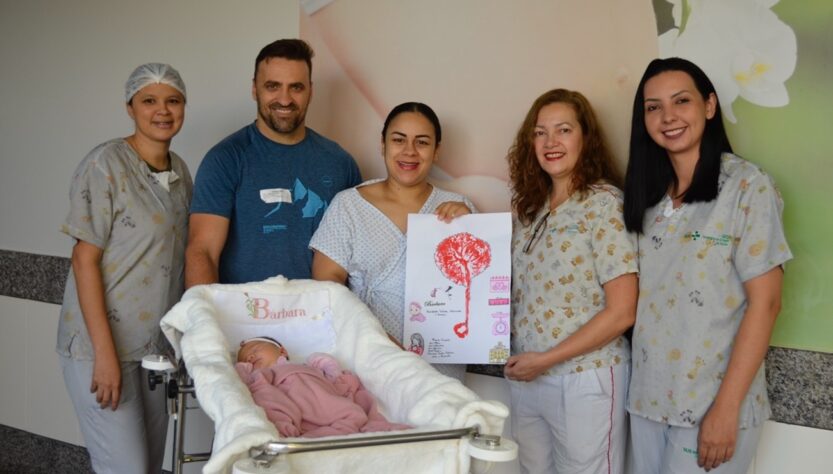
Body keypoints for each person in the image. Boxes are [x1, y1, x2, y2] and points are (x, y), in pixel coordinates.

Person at [623, 57, 792, 474]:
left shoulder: (746, 187)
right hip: (647, 400)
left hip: (711, 407)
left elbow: (766, 304)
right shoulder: (648, 198)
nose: (668, 116)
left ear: (710, 106)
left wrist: (725, 409)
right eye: (653, 106)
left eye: (681, 101)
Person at [57, 63, 192, 474]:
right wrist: (105, 355)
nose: (162, 110)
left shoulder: (181, 172)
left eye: (172, 100)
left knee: (149, 466)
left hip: (154, 349)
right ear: (130, 107)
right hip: (99, 346)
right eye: (149, 101)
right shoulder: (105, 165)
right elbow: (84, 258)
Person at [503, 89, 638, 474]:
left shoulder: (603, 203)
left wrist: (545, 361)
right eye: (540, 132)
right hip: (528, 378)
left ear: (585, 137)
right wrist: (459, 218)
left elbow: (622, 311)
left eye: (563, 130)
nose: (551, 142)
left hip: (585, 379)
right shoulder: (532, 211)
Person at [309, 102, 474, 381]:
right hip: (368, 363)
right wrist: (383, 344)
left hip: (441, 372)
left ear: (436, 151)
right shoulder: (349, 206)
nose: (409, 151)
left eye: (422, 142)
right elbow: (327, 288)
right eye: (398, 140)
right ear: (383, 145)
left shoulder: (459, 208)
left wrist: (470, 228)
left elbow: (477, 291)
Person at [186, 38, 361, 286]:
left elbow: (358, 253)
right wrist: (202, 321)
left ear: (310, 91)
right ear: (254, 89)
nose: (285, 99)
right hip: (244, 318)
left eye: (296, 88)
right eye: (273, 86)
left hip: (319, 320)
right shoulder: (225, 159)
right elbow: (202, 252)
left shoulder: (340, 163)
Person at [235, 337, 411, 437]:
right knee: (269, 403)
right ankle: (309, 437)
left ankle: (337, 434)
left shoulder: (306, 366)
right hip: (292, 405)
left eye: (256, 349)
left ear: (282, 351)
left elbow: (331, 374)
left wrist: (331, 372)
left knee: (353, 413)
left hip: (325, 399)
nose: (250, 357)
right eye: (245, 358)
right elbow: (241, 383)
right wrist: (243, 369)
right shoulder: (263, 376)